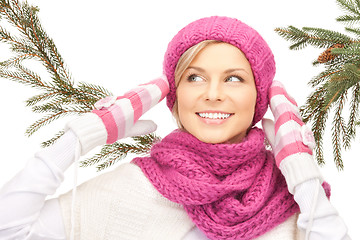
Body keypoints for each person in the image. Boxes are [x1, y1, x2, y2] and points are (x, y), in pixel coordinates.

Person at [0, 16, 351, 240]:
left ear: (259, 96)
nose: (213, 94)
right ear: (175, 93)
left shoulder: (290, 199)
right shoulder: (132, 187)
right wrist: (79, 138)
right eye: (194, 77)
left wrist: (300, 170)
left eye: (234, 78)